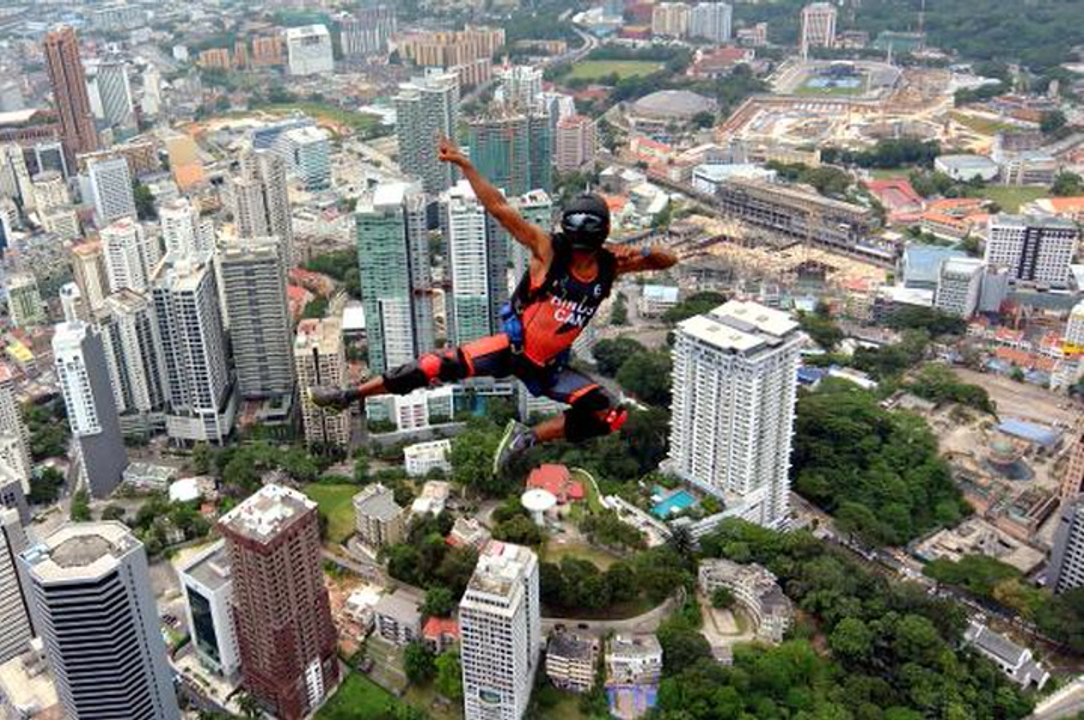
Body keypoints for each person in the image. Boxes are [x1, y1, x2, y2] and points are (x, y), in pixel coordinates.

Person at [311, 137, 678, 472]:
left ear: (598, 242)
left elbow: (668, 260)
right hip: (511, 350)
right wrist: (466, 167)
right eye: (577, 249)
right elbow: (500, 209)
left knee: (606, 414)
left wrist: (643, 251)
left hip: (550, 368)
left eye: (586, 250)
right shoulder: (550, 251)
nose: (580, 257)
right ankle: (348, 395)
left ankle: (527, 438)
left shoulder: (610, 265)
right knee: (431, 366)